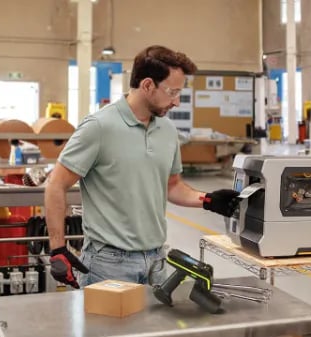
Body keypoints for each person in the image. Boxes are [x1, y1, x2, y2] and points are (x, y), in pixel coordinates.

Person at [44, 45, 241, 289]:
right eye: (172, 92)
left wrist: (209, 200)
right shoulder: (99, 127)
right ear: (147, 85)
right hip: (108, 263)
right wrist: (58, 248)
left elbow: (172, 186)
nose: (177, 102)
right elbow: (56, 184)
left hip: (157, 260)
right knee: (105, 329)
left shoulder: (167, 130)